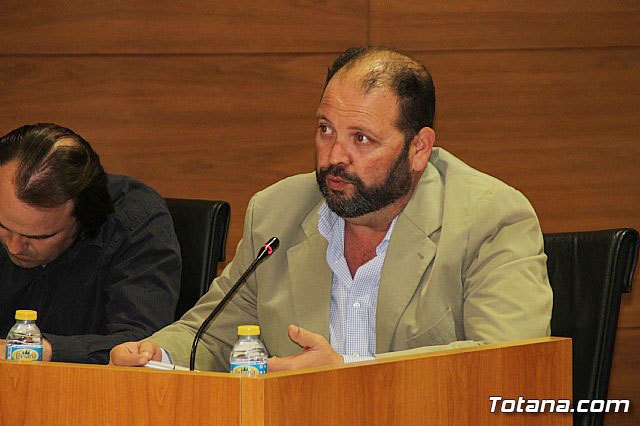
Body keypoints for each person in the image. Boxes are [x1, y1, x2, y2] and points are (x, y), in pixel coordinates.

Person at [110, 46, 552, 372]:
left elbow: (511, 364)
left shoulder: (491, 218)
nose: (334, 157)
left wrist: (345, 374)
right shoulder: (276, 212)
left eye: (361, 138)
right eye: (325, 130)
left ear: (419, 148)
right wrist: (154, 355)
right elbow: (209, 337)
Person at [0, 123, 181, 364]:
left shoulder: (135, 219)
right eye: (3, 226)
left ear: (84, 218)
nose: (14, 247)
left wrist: (43, 351)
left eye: (39, 237)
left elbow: (141, 343)